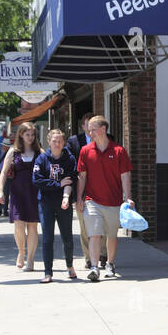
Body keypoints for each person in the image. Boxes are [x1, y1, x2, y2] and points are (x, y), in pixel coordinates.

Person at [76, 115, 132, 282]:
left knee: (111, 235)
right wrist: (79, 198)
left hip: (114, 201)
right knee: (94, 234)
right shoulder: (85, 151)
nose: (90, 132)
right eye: (89, 129)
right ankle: (94, 267)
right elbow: (82, 176)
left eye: (93, 129)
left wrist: (127, 198)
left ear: (103, 129)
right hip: (92, 200)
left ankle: (110, 263)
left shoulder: (118, 151)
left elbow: (125, 176)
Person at [32, 130, 79, 283]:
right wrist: (58, 184)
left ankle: (70, 266)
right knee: (47, 238)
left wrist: (65, 196)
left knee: (67, 238)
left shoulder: (70, 159)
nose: (57, 144)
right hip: (46, 203)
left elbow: (71, 180)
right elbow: (37, 181)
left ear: (64, 142)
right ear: (49, 142)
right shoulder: (42, 159)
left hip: (63, 202)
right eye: (54, 141)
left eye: (60, 141)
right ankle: (48, 273)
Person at [0, 123, 41, 270]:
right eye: (27, 134)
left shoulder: (39, 151)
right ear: (21, 135)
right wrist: (0, 191)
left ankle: (30, 259)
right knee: (19, 225)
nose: (30, 137)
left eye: (32, 135)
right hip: (17, 191)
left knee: (32, 225)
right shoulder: (13, 151)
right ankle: (21, 252)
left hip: (34, 191)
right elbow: (3, 172)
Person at [66, 112, 96, 270]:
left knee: (100, 224)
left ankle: (102, 255)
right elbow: (70, 164)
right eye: (87, 124)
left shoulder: (106, 139)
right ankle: (89, 258)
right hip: (81, 189)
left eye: (93, 124)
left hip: (101, 187)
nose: (91, 128)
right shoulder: (73, 141)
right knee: (85, 225)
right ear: (83, 126)